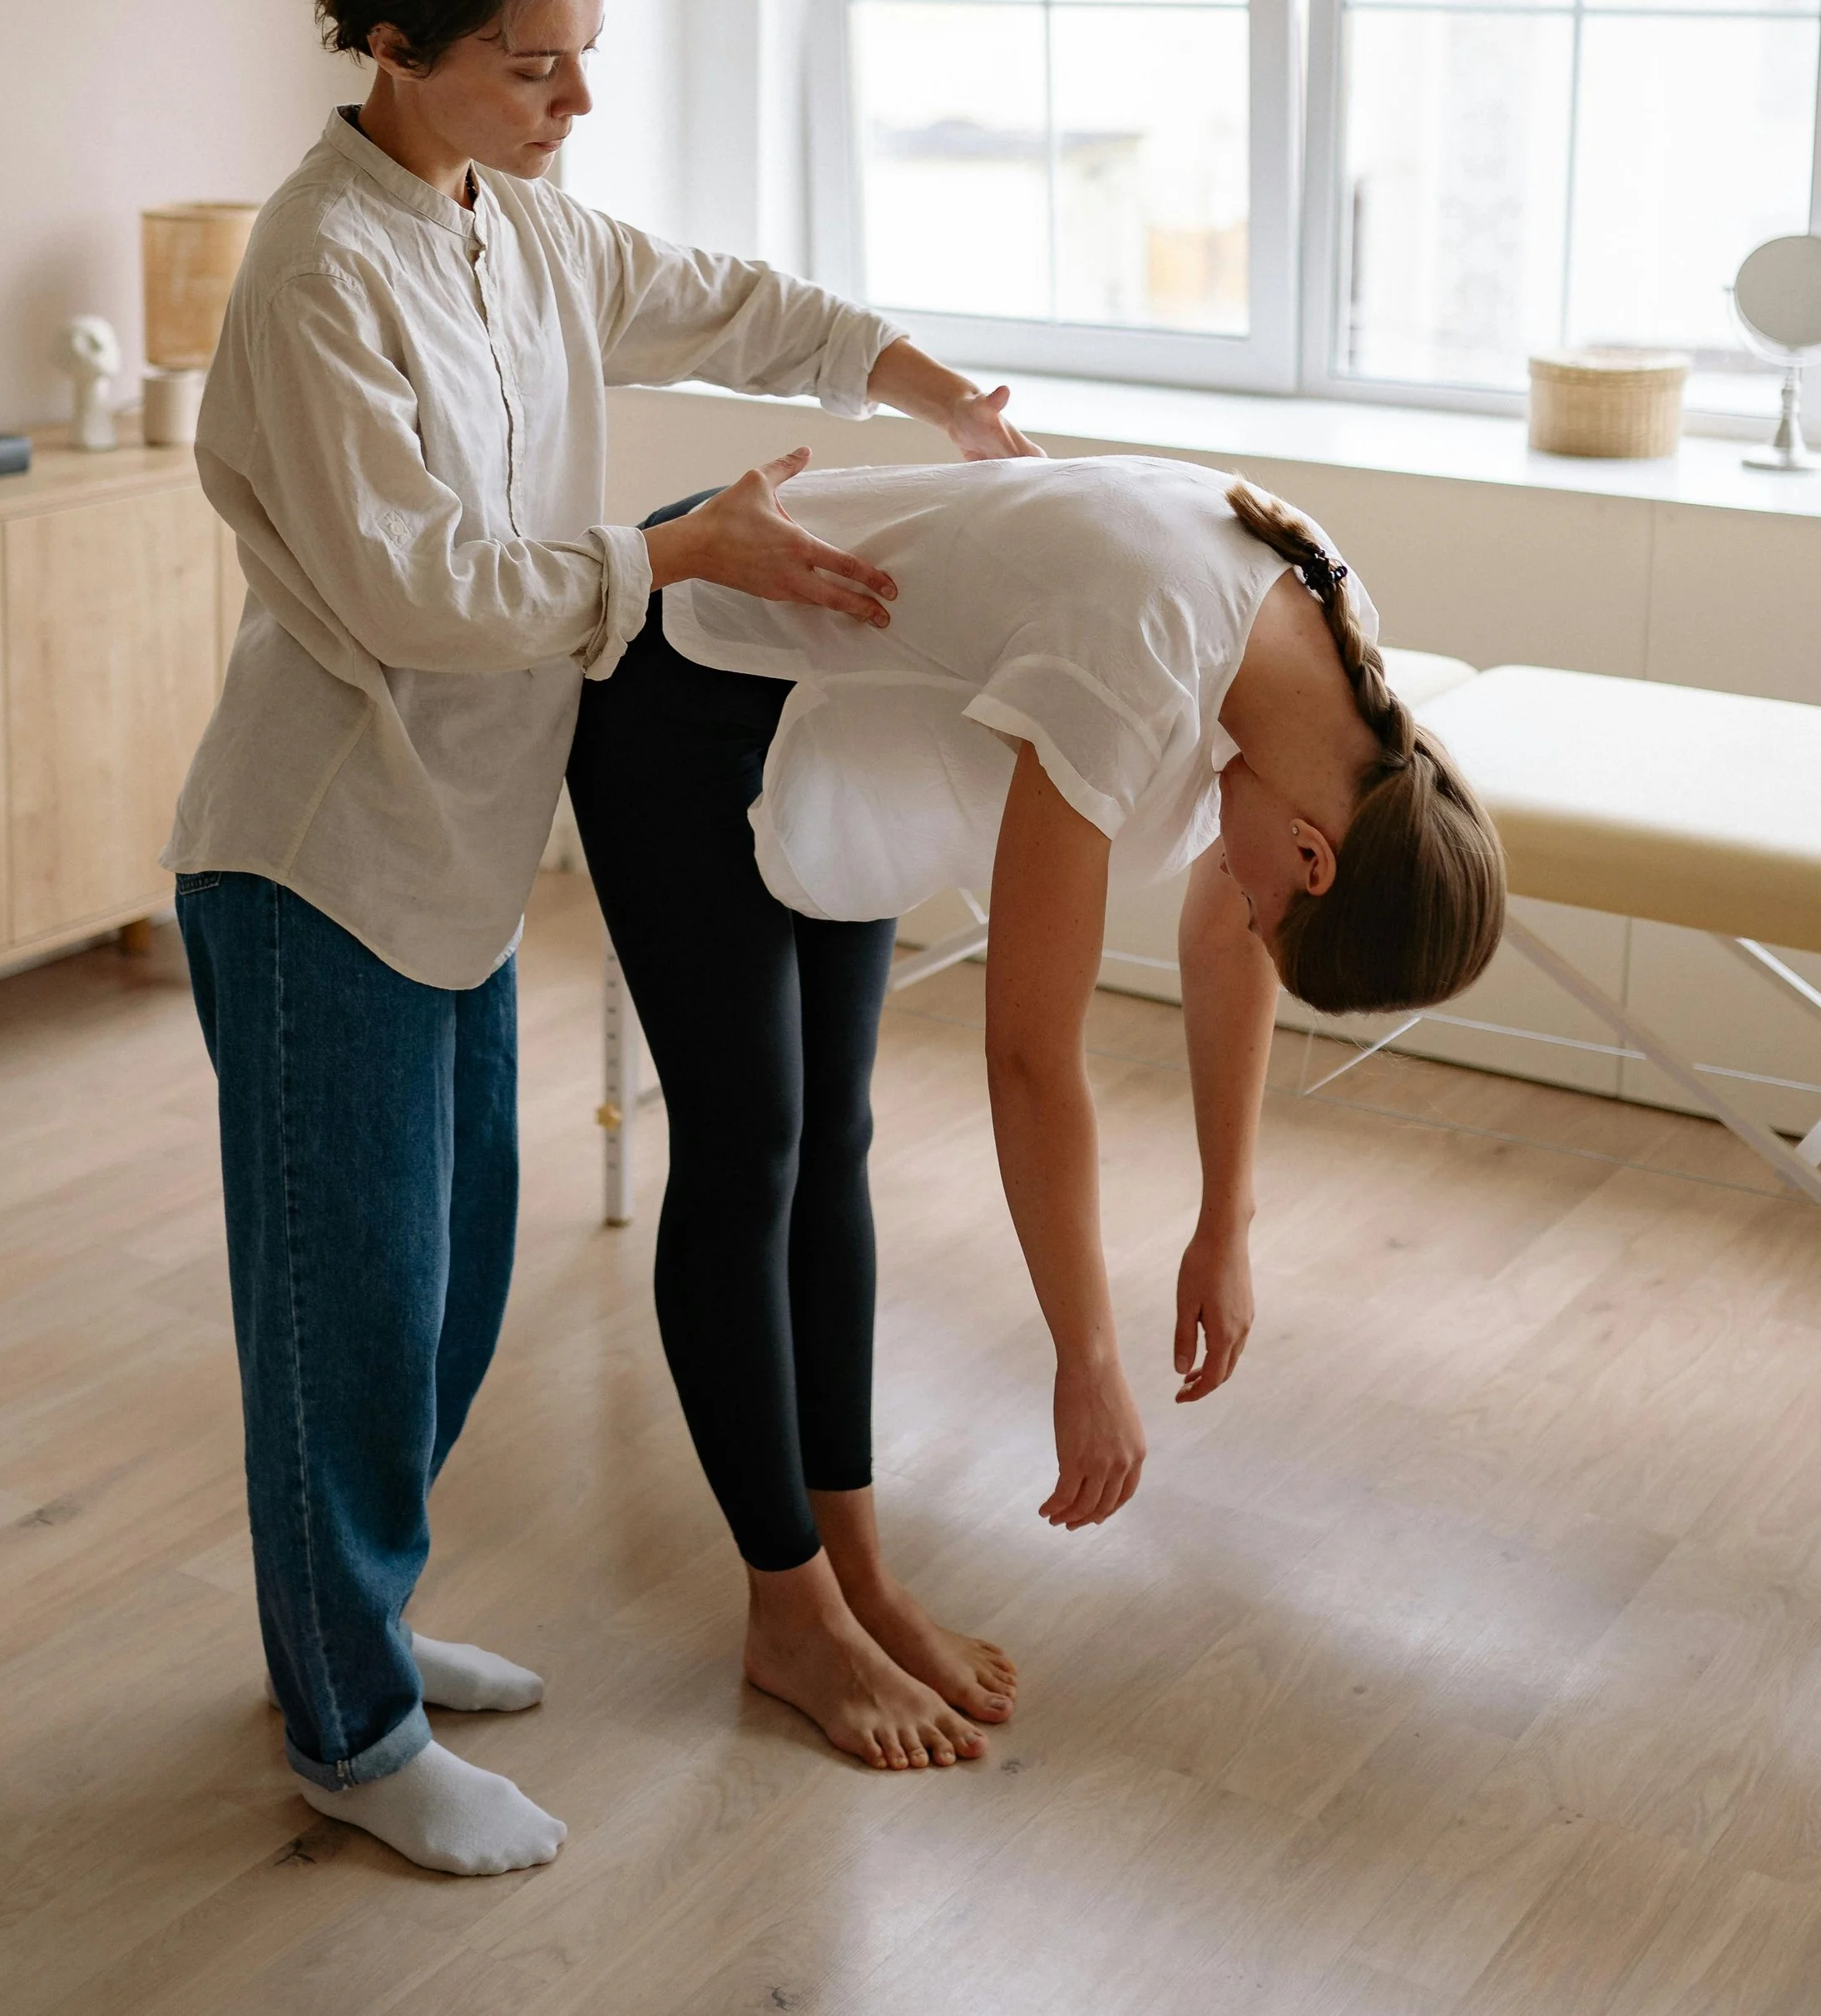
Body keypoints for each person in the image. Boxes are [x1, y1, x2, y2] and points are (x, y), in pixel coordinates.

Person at [164, 0, 1036, 1874]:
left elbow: (724, 297)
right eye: (530, 65)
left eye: (584, 55)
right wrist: (674, 550)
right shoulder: (316, 271)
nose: (575, 102)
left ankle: (354, 1618)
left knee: (448, 1289)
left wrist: (930, 387)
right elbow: (413, 592)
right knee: (346, 1317)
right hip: (317, 863)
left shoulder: (506, 221)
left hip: (457, 858)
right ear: (392, 44)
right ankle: (348, 1730)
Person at [563, 452, 1507, 1770]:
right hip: (697, 664)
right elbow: (1029, 1057)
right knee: (747, 1147)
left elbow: (1231, 939)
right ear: (1313, 855)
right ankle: (791, 1613)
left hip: (844, 699)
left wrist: (1224, 1222)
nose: (1240, 894)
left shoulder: (1345, 704)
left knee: (831, 1132)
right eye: (1277, 899)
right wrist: (1089, 1360)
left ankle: (858, 1576)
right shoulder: (1147, 655)